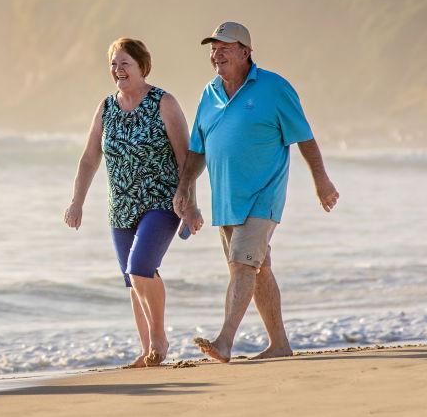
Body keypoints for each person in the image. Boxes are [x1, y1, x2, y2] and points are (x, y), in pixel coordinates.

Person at [174, 22, 339, 363]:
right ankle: (279, 344)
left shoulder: (274, 88)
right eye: (212, 48)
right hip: (226, 201)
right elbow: (197, 151)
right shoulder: (209, 94)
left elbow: (304, 137)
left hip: (263, 195)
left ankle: (224, 342)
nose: (216, 53)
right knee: (257, 268)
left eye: (224, 47)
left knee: (242, 266)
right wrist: (185, 192)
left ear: (245, 52)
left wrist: (321, 180)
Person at [64, 38, 191, 367]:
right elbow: (90, 158)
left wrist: (189, 201)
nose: (118, 70)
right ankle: (147, 349)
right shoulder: (106, 107)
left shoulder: (164, 102)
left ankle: (159, 338)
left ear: (142, 67)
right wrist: (77, 202)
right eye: (113, 64)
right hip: (120, 207)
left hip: (162, 201)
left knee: (140, 268)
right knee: (133, 281)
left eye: (125, 64)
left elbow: (185, 157)